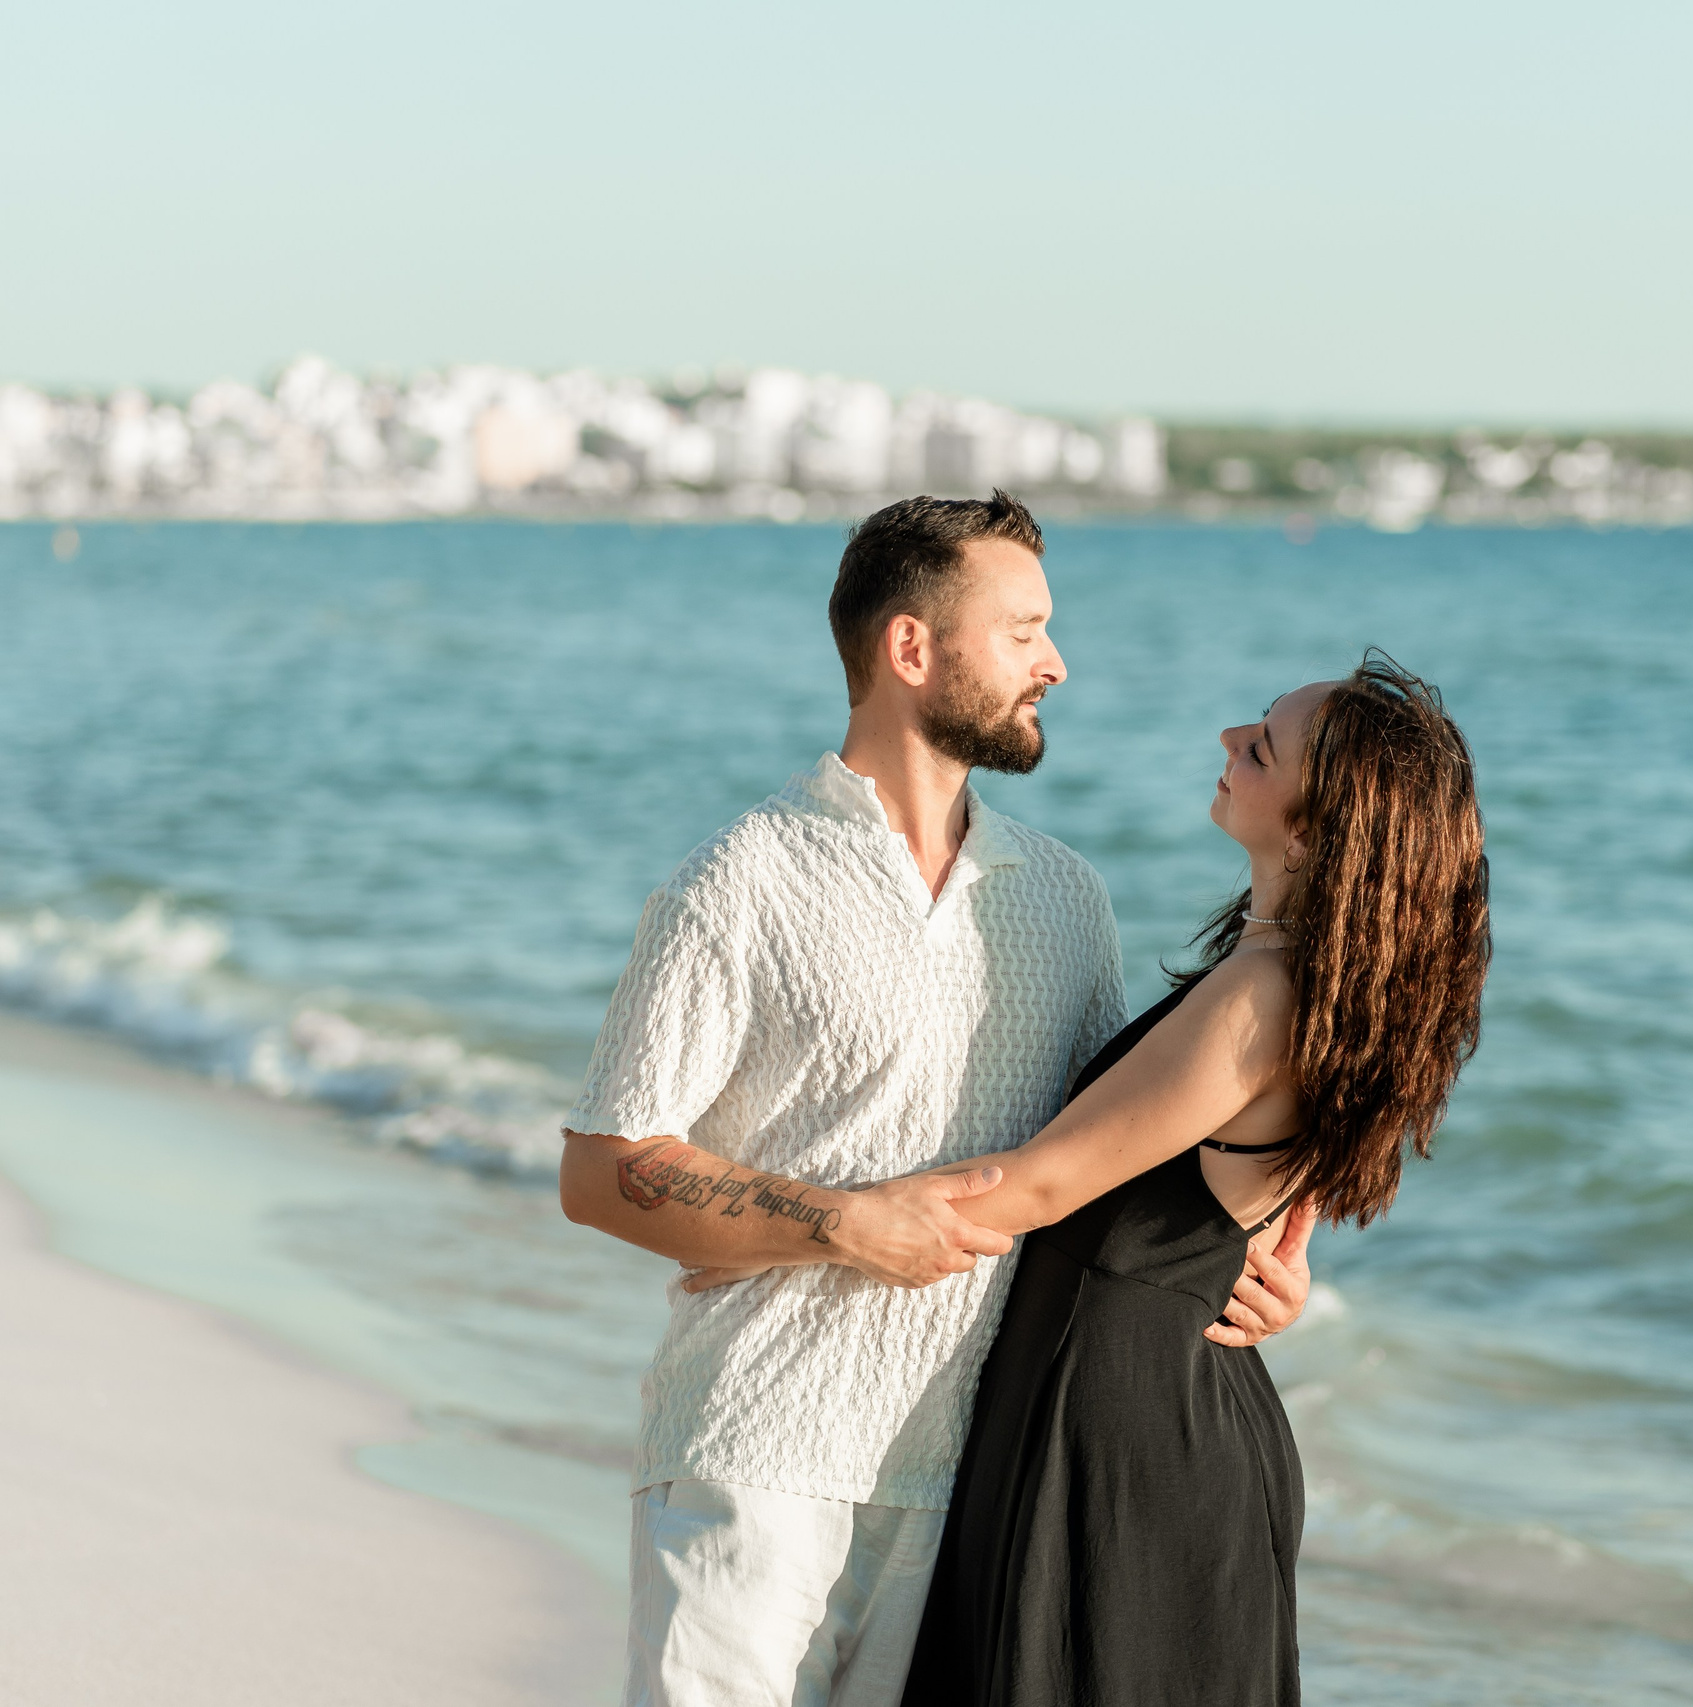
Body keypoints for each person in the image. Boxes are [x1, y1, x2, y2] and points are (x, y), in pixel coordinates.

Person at [556, 491, 1313, 1707]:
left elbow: (1109, 1163)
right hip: (757, 1452)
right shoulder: (740, 880)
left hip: (970, 1482)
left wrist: (1259, 1246)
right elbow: (601, 1171)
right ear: (912, 649)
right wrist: (840, 1223)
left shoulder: (1064, 898)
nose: (1054, 664)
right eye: (1023, 633)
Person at [691, 653, 1488, 1707]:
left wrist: (785, 1232)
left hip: (1122, 1431)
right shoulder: (1306, 989)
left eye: (1261, 747)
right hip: (1138, 1401)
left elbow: (1035, 1187)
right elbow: (1221, 1210)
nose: (1227, 741)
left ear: (1310, 833)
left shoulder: (1263, 997)